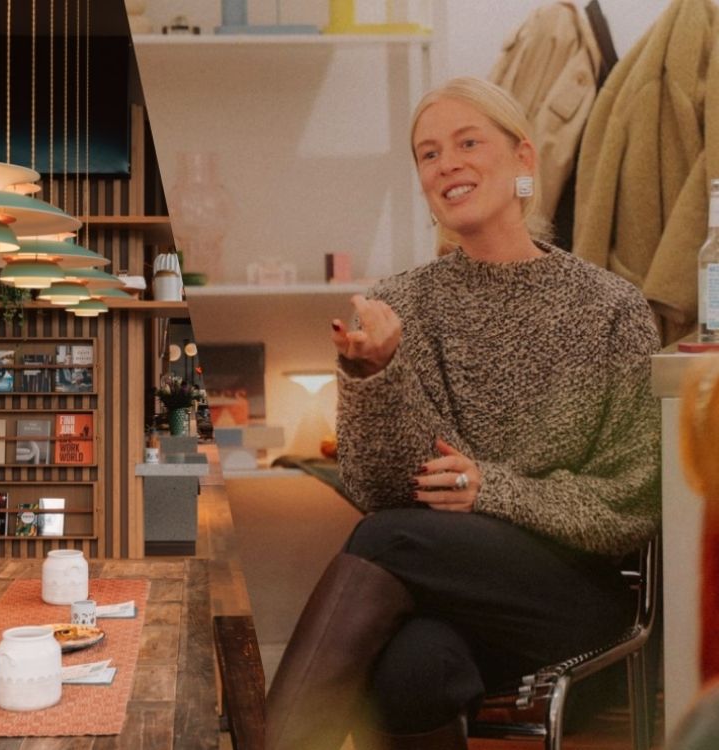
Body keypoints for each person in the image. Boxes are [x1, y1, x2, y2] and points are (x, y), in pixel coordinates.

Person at [264, 77, 661, 750]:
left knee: (388, 541)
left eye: (468, 142)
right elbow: (381, 493)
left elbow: (632, 500)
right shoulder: (401, 304)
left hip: (568, 595)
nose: (445, 163)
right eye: (427, 153)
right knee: (410, 672)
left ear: (524, 160)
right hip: (443, 585)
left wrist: (492, 488)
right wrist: (376, 374)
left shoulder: (612, 308)